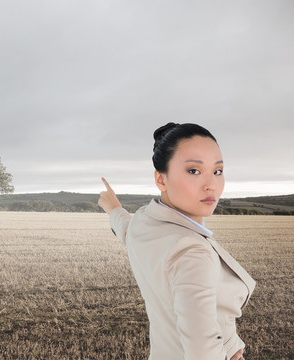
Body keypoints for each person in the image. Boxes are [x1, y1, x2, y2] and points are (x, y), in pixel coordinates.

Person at [98, 123, 256, 360]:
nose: (211, 185)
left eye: (218, 171)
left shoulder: (143, 221)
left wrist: (112, 206)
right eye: (194, 171)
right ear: (161, 180)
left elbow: (125, 228)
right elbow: (202, 351)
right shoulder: (191, 251)